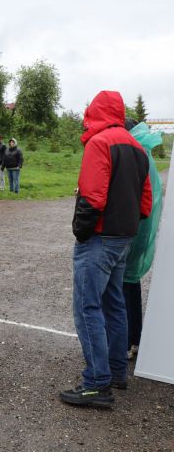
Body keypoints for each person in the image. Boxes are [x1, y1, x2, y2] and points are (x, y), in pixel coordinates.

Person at [60, 90, 152, 408]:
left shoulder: (100, 143)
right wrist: (125, 226)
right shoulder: (138, 147)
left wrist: (81, 233)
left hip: (99, 238)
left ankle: (96, 383)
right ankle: (116, 372)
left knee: (87, 308)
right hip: (123, 238)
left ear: (96, 112)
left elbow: (92, 197)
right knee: (114, 304)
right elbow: (145, 203)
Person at [122, 122, 163, 362]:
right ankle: (136, 339)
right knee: (131, 284)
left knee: (122, 286)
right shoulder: (145, 151)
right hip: (142, 228)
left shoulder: (134, 153)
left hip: (133, 228)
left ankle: (126, 342)